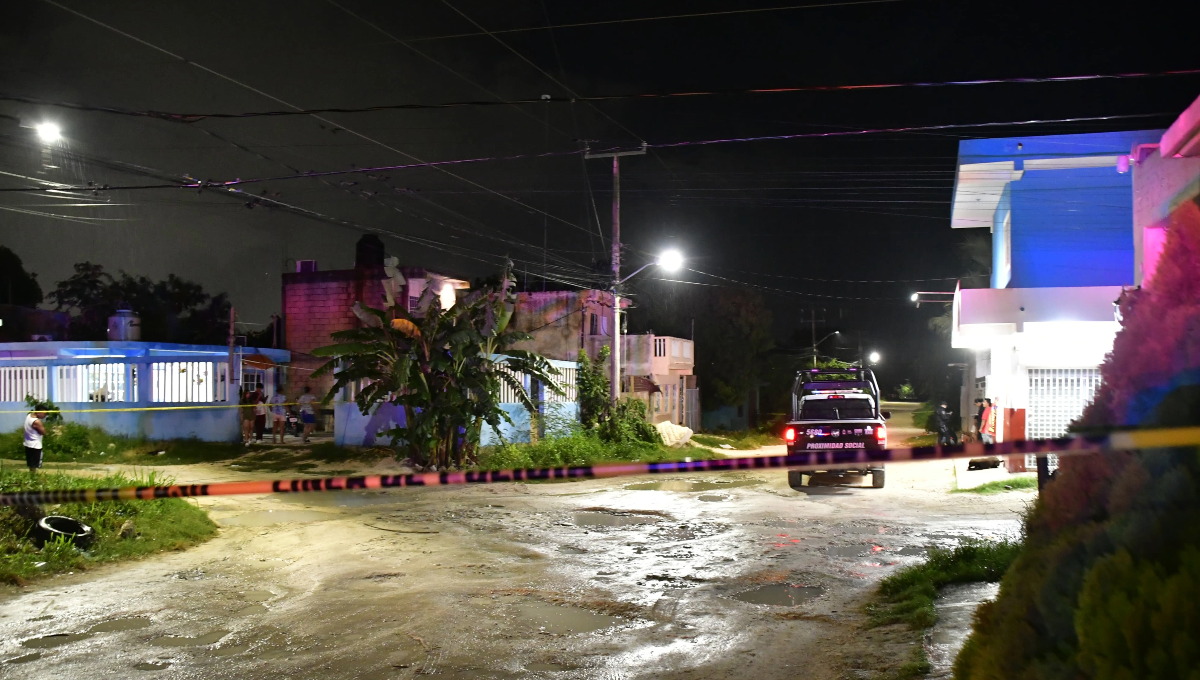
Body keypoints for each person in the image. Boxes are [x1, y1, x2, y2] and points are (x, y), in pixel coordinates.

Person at [24, 408, 47, 474]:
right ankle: (34, 478)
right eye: (44, 414)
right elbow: (43, 432)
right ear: (39, 412)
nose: (45, 416)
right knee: (35, 465)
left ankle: (32, 477)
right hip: (35, 446)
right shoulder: (36, 422)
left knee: (31, 465)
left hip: (28, 444)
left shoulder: (28, 416)